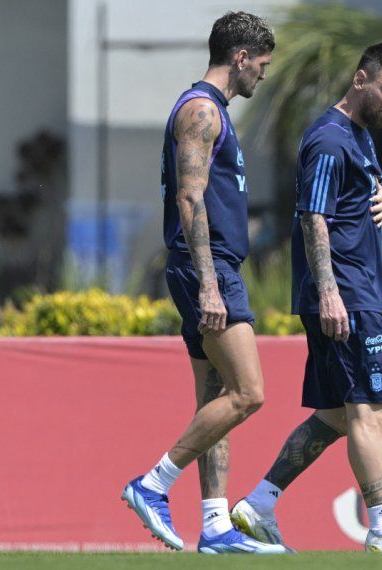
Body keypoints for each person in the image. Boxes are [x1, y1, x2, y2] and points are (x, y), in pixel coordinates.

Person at [227, 42, 382, 553]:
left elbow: (356, 194)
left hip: (353, 289)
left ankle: (259, 501)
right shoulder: (329, 138)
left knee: (333, 414)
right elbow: (312, 215)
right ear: (359, 79)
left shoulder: (359, 136)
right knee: (371, 411)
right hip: (346, 294)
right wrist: (329, 292)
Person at [121, 12, 286, 555]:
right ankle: (153, 483)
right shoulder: (201, 110)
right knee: (248, 393)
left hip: (208, 265)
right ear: (240, 58)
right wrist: (211, 286)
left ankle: (215, 526)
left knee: (215, 397)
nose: (260, 76)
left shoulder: (212, 111)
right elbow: (190, 198)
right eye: (260, 66)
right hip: (206, 265)